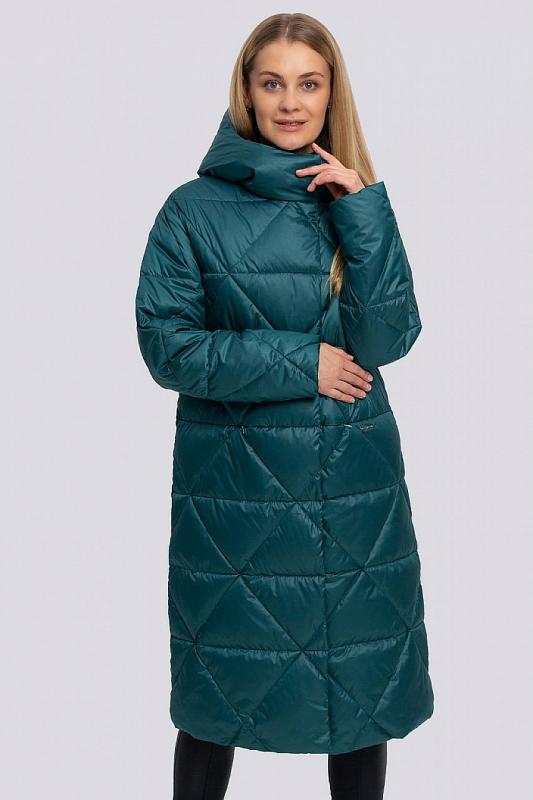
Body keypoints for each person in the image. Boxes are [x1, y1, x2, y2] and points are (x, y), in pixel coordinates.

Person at [135, 12, 434, 799]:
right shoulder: (191, 211)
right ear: (247, 91)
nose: (291, 102)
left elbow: (390, 336)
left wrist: (363, 212)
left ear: (332, 94)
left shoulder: (353, 202)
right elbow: (168, 347)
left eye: (308, 83)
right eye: (273, 83)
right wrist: (302, 362)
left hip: (355, 491)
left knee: (358, 698)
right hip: (238, 500)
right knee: (218, 692)